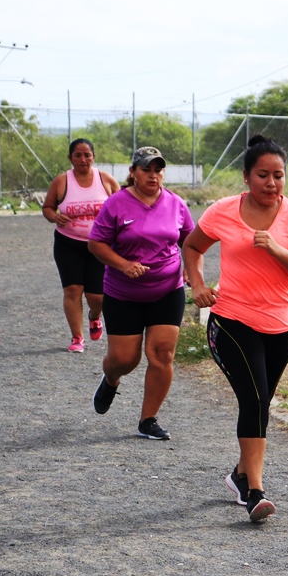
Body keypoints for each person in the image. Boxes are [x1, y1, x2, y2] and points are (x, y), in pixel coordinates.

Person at [183, 135, 288, 522]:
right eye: (263, 174)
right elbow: (192, 247)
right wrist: (197, 285)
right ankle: (254, 491)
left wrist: (277, 249)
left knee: (260, 404)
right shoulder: (223, 211)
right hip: (231, 321)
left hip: (281, 326)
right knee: (256, 400)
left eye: (279, 175)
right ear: (246, 176)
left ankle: (238, 473)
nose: (271, 183)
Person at [87, 147, 195, 441]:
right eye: (146, 169)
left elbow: (191, 240)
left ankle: (148, 420)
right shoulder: (116, 204)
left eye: (158, 170)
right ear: (133, 172)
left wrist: (189, 270)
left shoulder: (175, 203)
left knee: (162, 354)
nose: (153, 175)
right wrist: (124, 265)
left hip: (167, 290)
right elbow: (96, 244)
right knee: (126, 359)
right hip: (124, 293)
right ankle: (111, 378)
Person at [41, 138, 120, 352]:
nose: (83, 159)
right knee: (73, 289)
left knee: (98, 296)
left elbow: (122, 208)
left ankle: (95, 317)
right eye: (78, 155)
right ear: (70, 158)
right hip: (68, 244)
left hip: (100, 245)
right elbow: (47, 208)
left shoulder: (106, 180)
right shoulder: (61, 182)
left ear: (94, 157)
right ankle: (77, 337)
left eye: (87, 155)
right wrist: (56, 217)